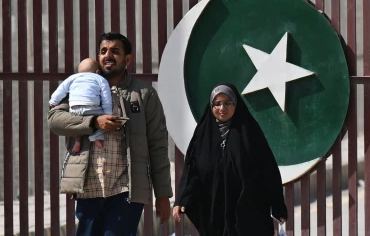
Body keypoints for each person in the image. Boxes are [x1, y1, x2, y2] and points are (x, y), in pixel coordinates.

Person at [47, 32, 173, 235]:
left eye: (115, 51)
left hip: (126, 189)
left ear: (128, 59)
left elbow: (158, 145)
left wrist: (163, 194)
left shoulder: (143, 94)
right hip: (89, 186)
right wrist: (94, 122)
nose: (108, 55)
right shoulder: (81, 87)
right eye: (103, 51)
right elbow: (54, 120)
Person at [173, 83, 287, 235]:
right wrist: (182, 199)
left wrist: (277, 205)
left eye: (228, 103)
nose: (222, 108)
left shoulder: (249, 133)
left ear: (236, 103)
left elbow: (268, 170)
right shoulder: (203, 135)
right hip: (215, 212)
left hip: (248, 212)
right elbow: (192, 171)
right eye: (217, 104)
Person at [49, 58, 112, 152]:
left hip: (74, 108)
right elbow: (106, 98)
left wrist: (53, 101)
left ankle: (78, 140)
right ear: (98, 71)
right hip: (92, 107)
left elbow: (60, 91)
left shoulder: (73, 78)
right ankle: (96, 137)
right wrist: (107, 113)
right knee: (99, 121)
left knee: (77, 126)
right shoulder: (100, 78)